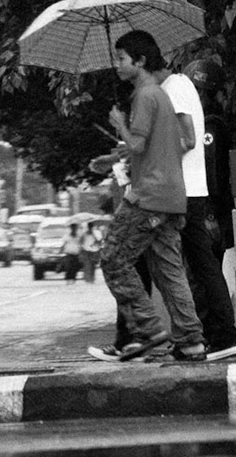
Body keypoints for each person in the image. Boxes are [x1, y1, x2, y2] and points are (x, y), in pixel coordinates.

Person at [86, 30, 206, 362]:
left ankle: (149, 330)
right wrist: (112, 158)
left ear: (140, 61)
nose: (118, 65)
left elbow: (137, 144)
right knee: (169, 271)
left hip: (146, 197)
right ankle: (192, 340)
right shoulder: (160, 96)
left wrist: (119, 122)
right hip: (171, 196)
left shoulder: (145, 96)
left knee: (113, 259)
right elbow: (150, 148)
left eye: (122, 58)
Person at [155, 54, 236, 361]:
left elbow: (213, 171)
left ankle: (217, 334)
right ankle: (211, 335)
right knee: (201, 268)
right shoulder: (210, 123)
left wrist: (210, 214)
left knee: (202, 270)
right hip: (205, 206)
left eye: (201, 91)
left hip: (206, 208)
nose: (198, 95)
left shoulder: (211, 128)